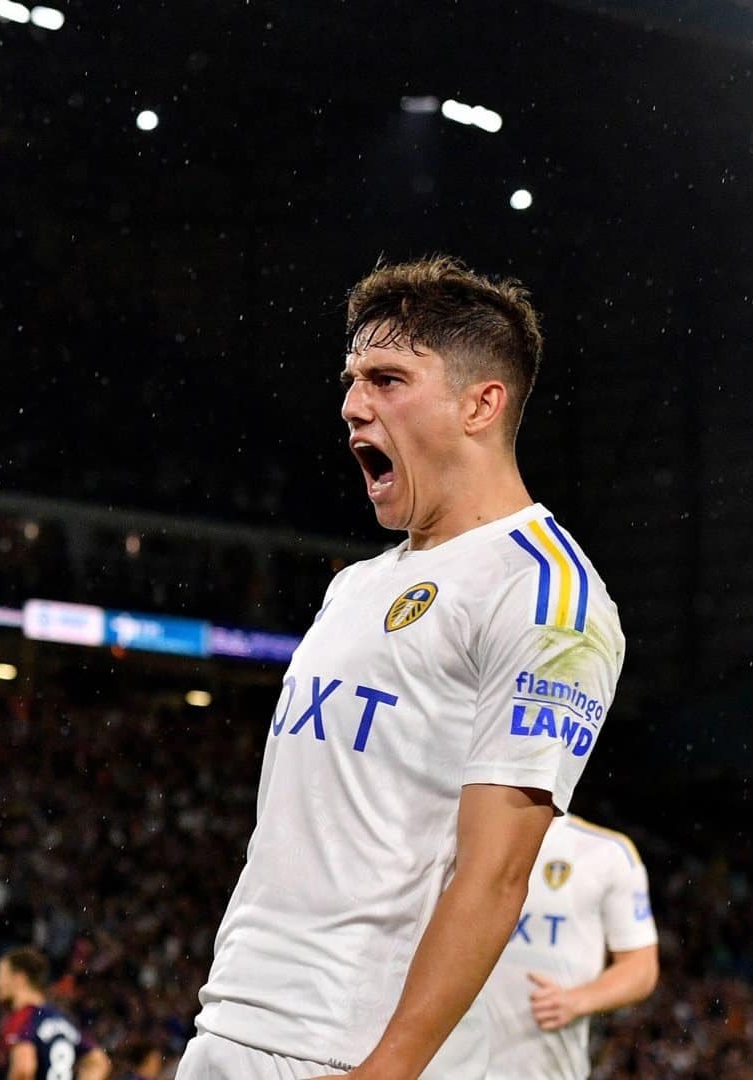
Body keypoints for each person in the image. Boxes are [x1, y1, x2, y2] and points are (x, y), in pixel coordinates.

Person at [178, 256, 626, 1080]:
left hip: (350, 1047)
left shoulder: (547, 596)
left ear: (479, 404)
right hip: (235, 1017)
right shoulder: (357, 584)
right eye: (351, 379)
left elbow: (495, 877)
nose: (353, 405)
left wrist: (390, 1068)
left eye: (388, 379)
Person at [475, 815, 658, 1079]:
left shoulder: (608, 853)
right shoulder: (457, 836)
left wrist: (577, 1000)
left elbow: (641, 967)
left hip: (544, 1068)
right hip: (447, 1065)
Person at [0, 948, 112, 1080]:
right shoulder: (61, 1019)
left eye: (0, 976)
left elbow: (23, 1070)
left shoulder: (23, 1018)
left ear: (19, 979)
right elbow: (98, 1061)